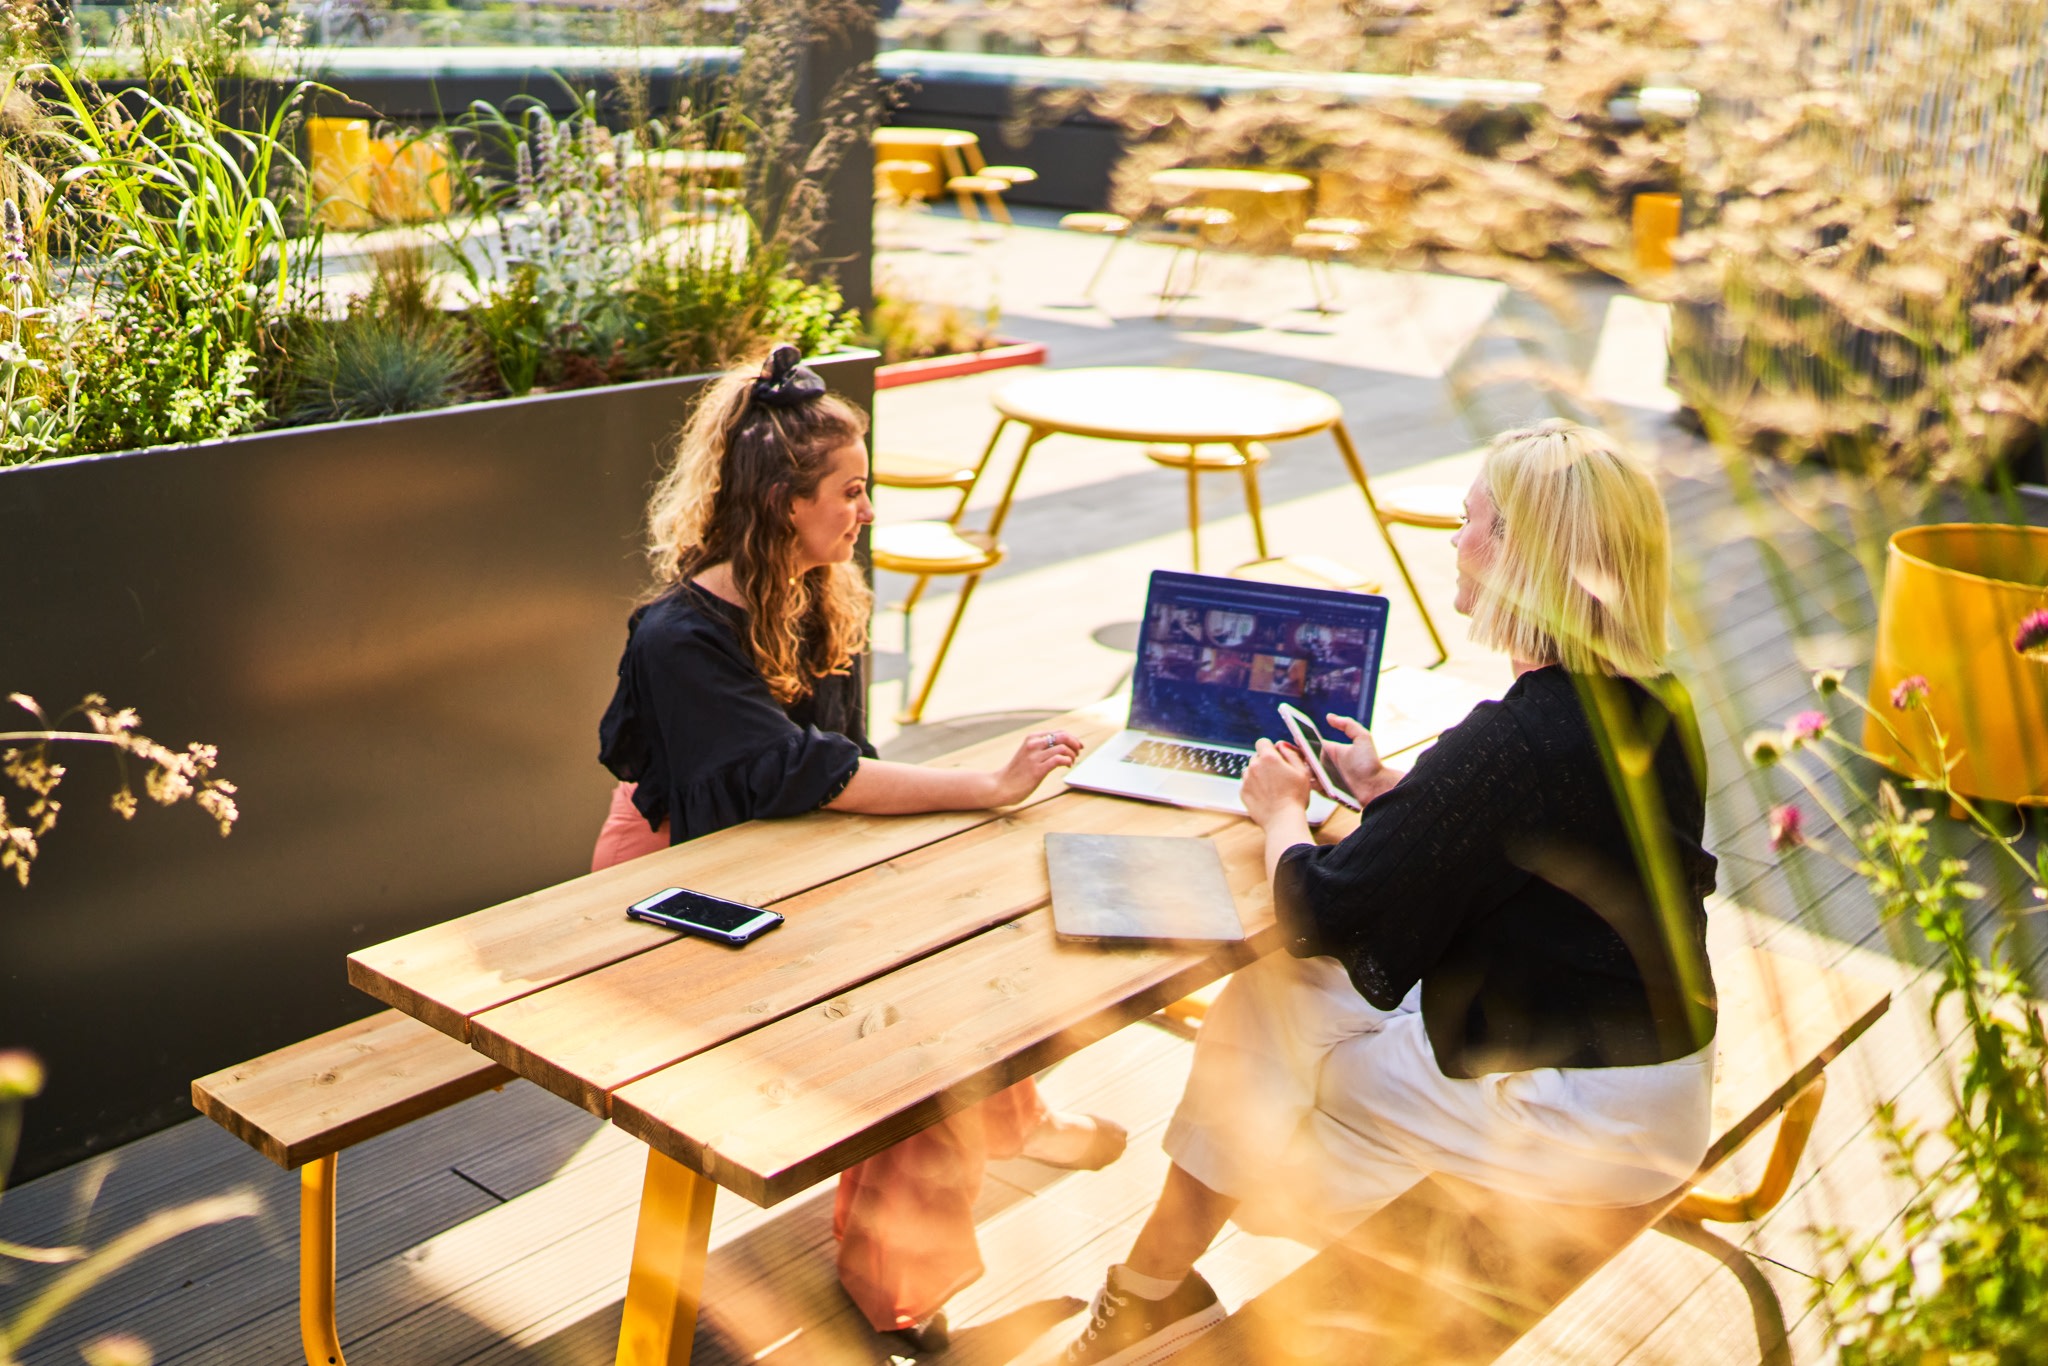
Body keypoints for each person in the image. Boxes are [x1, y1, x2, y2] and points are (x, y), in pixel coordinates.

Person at [1061, 419, 1720, 1366]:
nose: (1457, 542)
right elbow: (1552, 843)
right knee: (1291, 1015)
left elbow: (1323, 912)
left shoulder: (1509, 741)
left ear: (1520, 557)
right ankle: (1157, 1282)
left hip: (1570, 1128)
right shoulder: (1658, 700)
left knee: (1269, 1002)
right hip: (1656, 1091)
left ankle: (1149, 1288)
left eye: (1471, 523)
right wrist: (1391, 797)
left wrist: (1280, 809)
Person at [595, 345, 1128, 1353]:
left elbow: (840, 762)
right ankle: (901, 1283)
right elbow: (808, 770)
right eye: (850, 491)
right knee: (917, 1026)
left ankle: (1006, 1123)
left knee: (969, 941)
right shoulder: (678, 637)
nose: (864, 511)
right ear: (779, 502)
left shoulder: (814, 589)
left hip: (790, 845)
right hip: (677, 873)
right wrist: (985, 786)